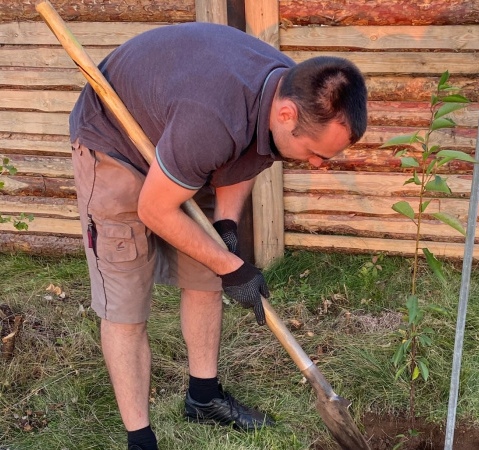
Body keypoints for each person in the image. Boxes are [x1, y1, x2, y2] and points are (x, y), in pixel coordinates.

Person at [68, 21, 367, 450]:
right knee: (127, 302)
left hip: (181, 142)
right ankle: (140, 438)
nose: (319, 165)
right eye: (318, 154)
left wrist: (225, 230)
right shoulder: (212, 118)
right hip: (115, 147)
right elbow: (153, 209)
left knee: (206, 272)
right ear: (287, 115)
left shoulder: (287, 87)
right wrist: (232, 266)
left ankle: (203, 399)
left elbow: (250, 152)